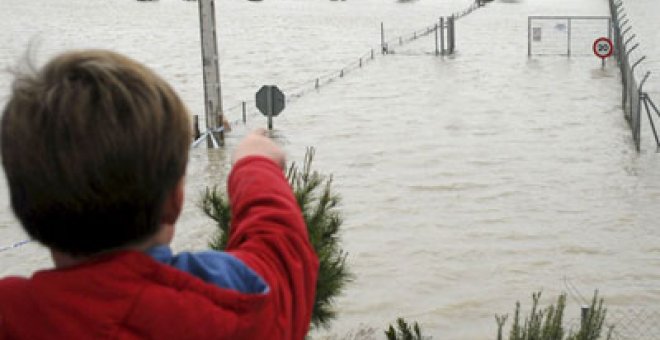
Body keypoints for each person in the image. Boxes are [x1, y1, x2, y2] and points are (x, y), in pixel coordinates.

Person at [0, 50, 318, 339]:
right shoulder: (228, 300)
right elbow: (281, 250)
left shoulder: (13, 316)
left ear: (23, 208)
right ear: (175, 201)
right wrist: (254, 165)